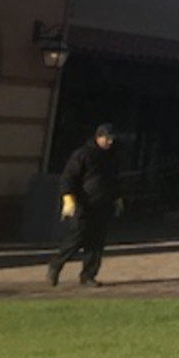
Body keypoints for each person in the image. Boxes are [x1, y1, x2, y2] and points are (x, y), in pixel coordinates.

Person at [47, 123, 122, 287]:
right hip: (83, 204)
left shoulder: (112, 157)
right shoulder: (83, 154)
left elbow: (114, 180)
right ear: (98, 137)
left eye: (112, 139)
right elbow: (68, 177)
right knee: (77, 237)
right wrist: (68, 198)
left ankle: (88, 275)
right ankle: (56, 264)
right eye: (107, 138)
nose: (110, 142)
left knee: (96, 242)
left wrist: (117, 198)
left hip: (102, 204)